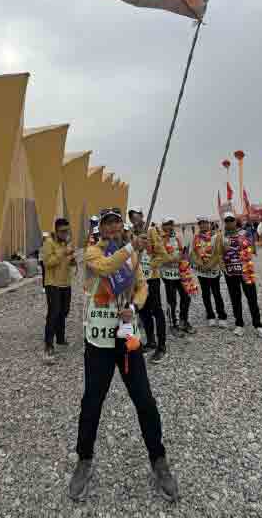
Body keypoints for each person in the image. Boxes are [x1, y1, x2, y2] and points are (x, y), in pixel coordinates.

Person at [69, 210, 178, 502]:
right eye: (108, 223)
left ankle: (158, 459)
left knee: (145, 401)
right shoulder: (92, 253)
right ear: (101, 228)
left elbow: (142, 287)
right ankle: (84, 459)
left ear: (122, 226)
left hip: (127, 339)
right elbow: (106, 267)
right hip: (98, 342)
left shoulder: (131, 257)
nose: (113, 226)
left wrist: (134, 306)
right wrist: (132, 247)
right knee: (92, 402)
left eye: (117, 222)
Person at [128, 208, 168, 362]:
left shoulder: (151, 231)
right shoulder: (131, 234)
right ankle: (151, 341)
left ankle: (162, 346)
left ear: (142, 216)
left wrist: (150, 265)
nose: (134, 220)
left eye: (136, 217)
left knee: (157, 310)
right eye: (132, 218)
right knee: (143, 311)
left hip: (152, 278)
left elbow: (162, 254)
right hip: (139, 280)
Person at [221, 212, 262, 338]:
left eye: (231, 220)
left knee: (252, 298)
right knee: (235, 298)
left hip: (246, 270)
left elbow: (252, 249)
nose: (229, 222)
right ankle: (239, 324)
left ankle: (258, 325)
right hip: (230, 272)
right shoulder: (221, 236)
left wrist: (247, 246)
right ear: (224, 222)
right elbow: (218, 254)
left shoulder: (245, 233)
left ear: (236, 221)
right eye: (227, 220)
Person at [40, 218, 78, 362]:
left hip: (65, 283)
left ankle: (60, 338)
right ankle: (48, 344)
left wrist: (72, 260)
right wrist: (63, 252)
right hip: (52, 284)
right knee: (54, 313)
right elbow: (48, 263)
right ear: (56, 231)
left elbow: (68, 261)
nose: (65, 234)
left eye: (67, 231)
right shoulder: (48, 243)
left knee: (64, 311)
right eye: (62, 231)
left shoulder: (66, 243)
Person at [154, 218, 195, 337]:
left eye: (170, 224)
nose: (169, 226)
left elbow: (183, 252)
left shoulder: (178, 236)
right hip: (168, 274)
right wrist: (170, 259)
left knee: (186, 297)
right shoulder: (159, 239)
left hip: (180, 272)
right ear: (162, 226)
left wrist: (185, 257)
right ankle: (173, 325)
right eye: (166, 224)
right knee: (172, 301)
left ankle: (183, 321)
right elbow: (158, 256)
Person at [191, 216, 227, 327]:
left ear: (209, 224)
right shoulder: (196, 238)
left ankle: (222, 316)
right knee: (205, 294)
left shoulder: (216, 236)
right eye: (200, 223)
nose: (203, 225)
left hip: (214, 269)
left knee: (217, 293)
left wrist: (210, 265)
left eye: (205, 223)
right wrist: (201, 264)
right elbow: (193, 254)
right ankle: (210, 315)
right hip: (202, 271)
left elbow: (219, 252)